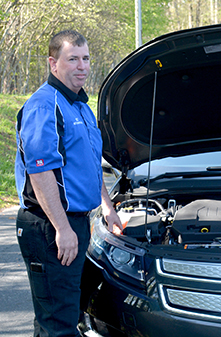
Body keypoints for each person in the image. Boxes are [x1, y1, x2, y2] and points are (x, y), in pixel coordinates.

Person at [14, 30, 122, 337]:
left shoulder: (81, 107)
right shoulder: (44, 106)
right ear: (53, 63)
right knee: (58, 325)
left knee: (65, 314)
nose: (82, 66)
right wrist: (62, 229)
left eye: (86, 58)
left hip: (75, 223)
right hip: (49, 227)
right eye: (72, 59)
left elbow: (89, 165)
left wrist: (108, 208)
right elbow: (41, 171)